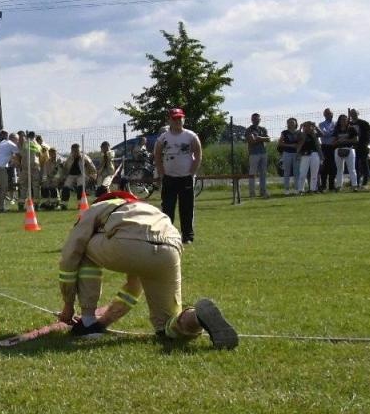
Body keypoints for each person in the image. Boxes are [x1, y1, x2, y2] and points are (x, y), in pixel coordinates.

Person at [54, 189, 237, 348]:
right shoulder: (147, 209)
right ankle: (196, 318)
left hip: (130, 242)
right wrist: (104, 322)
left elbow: (70, 255)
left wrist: (69, 305)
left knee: (83, 248)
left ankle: (87, 322)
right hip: (171, 247)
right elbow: (133, 288)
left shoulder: (97, 208)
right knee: (166, 328)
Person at [152, 108, 200, 244]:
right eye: (175, 118)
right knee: (167, 208)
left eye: (180, 118)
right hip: (169, 178)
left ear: (183, 119)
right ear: (170, 120)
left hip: (186, 177)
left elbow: (198, 154)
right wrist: (162, 173)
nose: (178, 121)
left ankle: (187, 236)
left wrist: (192, 172)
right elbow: (157, 155)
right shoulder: (163, 138)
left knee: (187, 208)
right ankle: (167, 235)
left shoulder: (191, 136)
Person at [0, 129, 18, 212]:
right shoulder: (11, 144)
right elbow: (19, 153)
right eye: (17, 140)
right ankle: (1, 207)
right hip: (0, 167)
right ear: (14, 139)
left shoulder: (2, 143)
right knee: (3, 187)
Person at [244, 112, 270, 199]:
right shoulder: (249, 130)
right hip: (253, 154)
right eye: (254, 119)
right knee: (252, 174)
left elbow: (268, 139)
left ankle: (263, 191)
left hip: (263, 153)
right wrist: (262, 139)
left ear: (260, 120)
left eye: (257, 119)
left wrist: (259, 138)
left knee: (263, 173)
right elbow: (251, 141)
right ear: (251, 120)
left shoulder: (263, 129)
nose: (256, 120)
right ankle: (252, 193)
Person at [332, 112, 359, 191]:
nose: (343, 121)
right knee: (339, 169)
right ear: (339, 121)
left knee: (352, 169)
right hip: (338, 150)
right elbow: (333, 142)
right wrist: (338, 142)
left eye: (345, 119)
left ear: (347, 120)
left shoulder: (351, 128)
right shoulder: (337, 129)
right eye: (341, 119)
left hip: (349, 149)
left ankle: (354, 186)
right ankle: (339, 186)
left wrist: (345, 140)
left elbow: (356, 140)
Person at [349, 108, 370, 188]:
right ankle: (356, 182)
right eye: (352, 113)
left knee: (364, 164)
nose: (353, 115)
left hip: (363, 146)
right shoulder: (348, 124)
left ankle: (365, 182)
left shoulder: (364, 123)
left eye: (355, 113)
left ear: (358, 114)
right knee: (354, 165)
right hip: (352, 147)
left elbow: (369, 135)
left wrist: (367, 145)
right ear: (350, 115)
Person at [296, 119, 322, 195]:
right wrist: (300, 128)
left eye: (309, 126)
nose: (307, 127)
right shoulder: (301, 134)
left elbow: (322, 134)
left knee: (314, 173)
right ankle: (300, 190)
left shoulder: (314, 134)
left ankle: (313, 189)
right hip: (305, 155)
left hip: (315, 154)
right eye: (305, 126)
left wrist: (316, 127)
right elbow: (296, 137)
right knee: (303, 173)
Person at [277, 117, 300, 195]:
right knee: (286, 172)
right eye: (289, 122)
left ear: (296, 123)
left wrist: (298, 147)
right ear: (287, 124)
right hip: (287, 153)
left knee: (297, 172)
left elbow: (301, 143)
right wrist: (290, 145)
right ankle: (286, 189)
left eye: (293, 122)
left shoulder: (299, 132)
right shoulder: (284, 132)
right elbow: (280, 143)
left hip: (297, 154)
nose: (291, 124)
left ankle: (296, 189)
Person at [317, 107, 337, 192]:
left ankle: (332, 186)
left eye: (330, 113)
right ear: (324, 115)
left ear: (332, 114)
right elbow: (323, 134)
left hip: (334, 147)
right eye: (327, 113)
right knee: (324, 167)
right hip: (324, 147)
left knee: (333, 167)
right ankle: (323, 186)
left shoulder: (336, 124)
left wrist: (329, 133)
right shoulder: (321, 124)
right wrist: (331, 133)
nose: (329, 115)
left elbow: (334, 134)